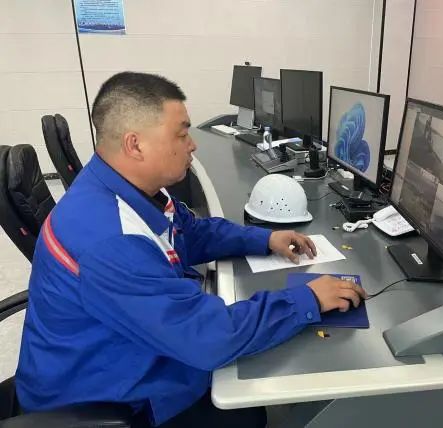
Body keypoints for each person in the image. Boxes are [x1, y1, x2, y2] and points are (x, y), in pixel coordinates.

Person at [15, 72, 366, 427]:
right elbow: (210, 339)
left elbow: (191, 233)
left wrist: (263, 239)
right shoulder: (111, 240)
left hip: (123, 354)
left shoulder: (130, 188)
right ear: (135, 145)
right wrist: (308, 299)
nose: (192, 145)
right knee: (246, 407)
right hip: (108, 402)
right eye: (181, 134)